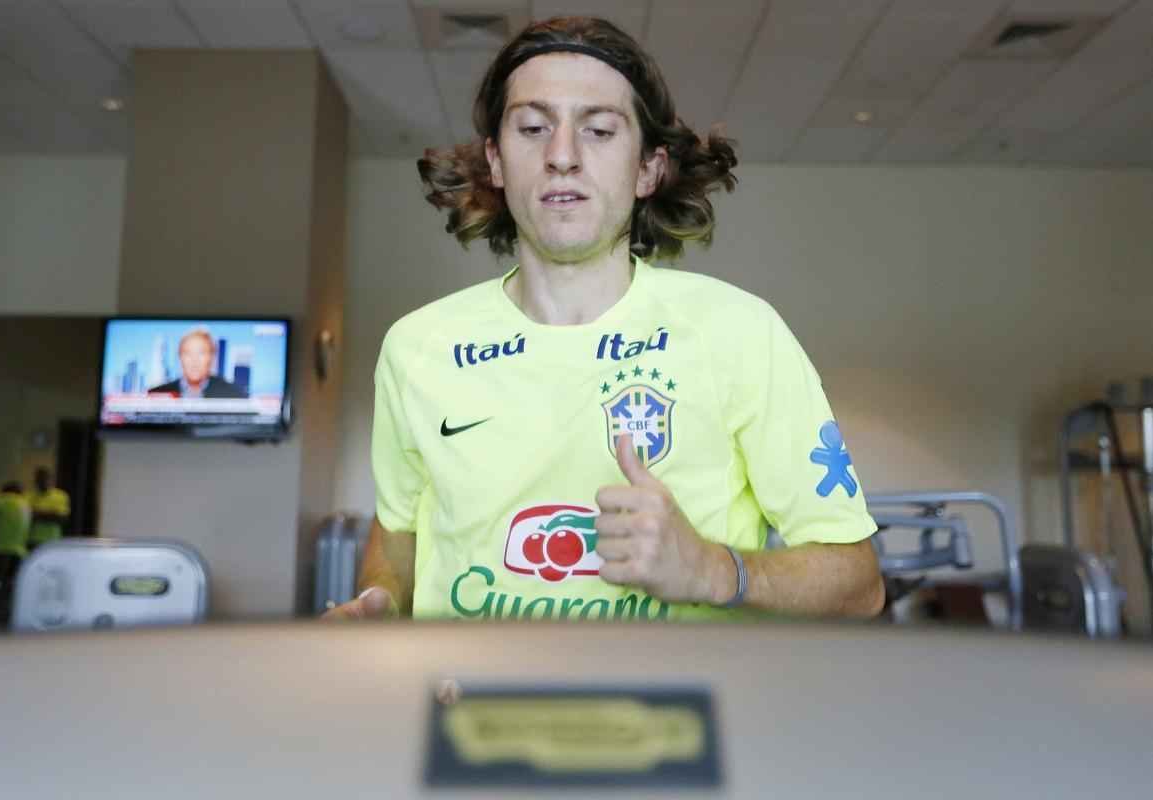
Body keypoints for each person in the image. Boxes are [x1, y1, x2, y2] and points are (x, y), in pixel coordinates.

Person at [326, 16, 882, 623]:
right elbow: (399, 531)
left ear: (648, 168)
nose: (561, 156)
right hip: (472, 708)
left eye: (598, 130)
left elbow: (858, 585)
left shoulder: (741, 333)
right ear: (498, 162)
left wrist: (714, 570)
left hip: (670, 712)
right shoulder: (417, 346)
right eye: (533, 128)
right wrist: (378, 599)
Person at [148, 328, 248, 399]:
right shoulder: (155, 394)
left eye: (201, 353)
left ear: (212, 358)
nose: (194, 360)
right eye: (187, 353)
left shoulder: (234, 394)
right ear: (179, 357)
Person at [27, 467, 70, 547]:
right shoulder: (29, 496)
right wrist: (50, 513)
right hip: (32, 540)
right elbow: (27, 517)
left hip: (53, 540)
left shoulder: (60, 496)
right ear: (36, 480)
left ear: (51, 480)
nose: (42, 482)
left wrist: (37, 513)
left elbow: (61, 519)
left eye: (45, 479)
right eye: (39, 479)